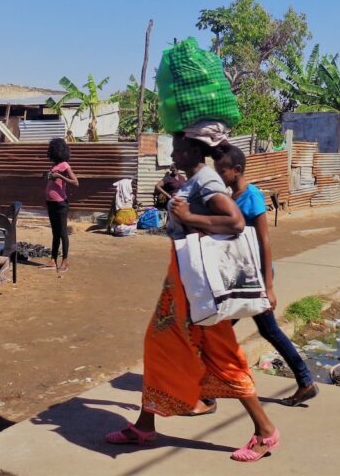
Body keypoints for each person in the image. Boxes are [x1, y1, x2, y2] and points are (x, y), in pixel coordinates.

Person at [105, 128, 280, 463]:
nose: (173, 155)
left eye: (179, 150)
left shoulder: (206, 180)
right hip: (182, 285)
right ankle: (144, 425)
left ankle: (266, 431)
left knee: (222, 356)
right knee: (159, 346)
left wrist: (189, 217)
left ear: (194, 153)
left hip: (201, 290)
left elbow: (235, 221)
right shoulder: (195, 179)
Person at [215, 145, 318, 407]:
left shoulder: (252, 197)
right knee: (263, 331)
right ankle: (305, 382)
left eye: (222, 170)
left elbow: (265, 241)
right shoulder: (233, 196)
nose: (219, 174)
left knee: (221, 330)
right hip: (240, 277)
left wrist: (268, 286)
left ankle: (209, 387)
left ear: (237, 171)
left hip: (255, 279)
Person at [45, 138, 79, 272]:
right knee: (55, 232)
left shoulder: (65, 165)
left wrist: (60, 177)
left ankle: (65, 261)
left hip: (60, 203)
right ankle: (53, 260)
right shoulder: (55, 165)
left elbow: (76, 182)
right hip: (50, 202)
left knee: (63, 232)